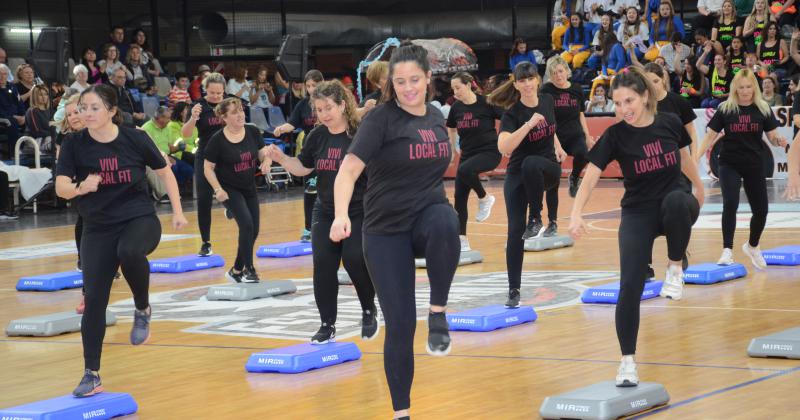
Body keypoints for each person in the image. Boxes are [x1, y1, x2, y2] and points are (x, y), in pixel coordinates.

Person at [329, 42, 460, 420]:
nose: (407, 88)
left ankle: (438, 312)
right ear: (391, 83)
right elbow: (349, 169)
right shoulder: (380, 119)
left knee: (446, 222)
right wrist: (341, 214)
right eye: (400, 81)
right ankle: (401, 412)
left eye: (414, 80)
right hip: (385, 231)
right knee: (400, 326)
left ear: (428, 79)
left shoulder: (436, 117)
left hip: (426, 218)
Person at [570, 66, 704, 387]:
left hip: (677, 207)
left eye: (628, 100)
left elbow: (684, 158)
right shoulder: (616, 135)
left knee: (675, 201)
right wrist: (576, 212)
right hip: (638, 213)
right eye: (617, 103)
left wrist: (699, 186)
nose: (623, 109)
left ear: (645, 97)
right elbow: (591, 175)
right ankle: (627, 362)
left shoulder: (670, 122)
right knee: (629, 287)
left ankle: (674, 267)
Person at [55, 84, 187, 397]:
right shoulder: (74, 144)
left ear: (112, 111)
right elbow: (61, 187)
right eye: (83, 108)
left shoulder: (136, 138)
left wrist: (178, 212)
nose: (86, 114)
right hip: (97, 227)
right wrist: (80, 188)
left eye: (94, 108)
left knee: (129, 252)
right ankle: (91, 373)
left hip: (138, 219)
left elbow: (165, 173)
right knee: (94, 301)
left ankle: (142, 308)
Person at [267, 80, 378, 343]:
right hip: (325, 210)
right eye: (319, 109)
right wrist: (282, 159)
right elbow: (304, 168)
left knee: (354, 260)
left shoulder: (360, 133)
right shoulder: (316, 136)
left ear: (342, 104)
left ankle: (368, 309)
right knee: (324, 267)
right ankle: (327, 324)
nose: (324, 114)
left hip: (360, 209)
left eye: (328, 107)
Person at [489, 61, 568, 308]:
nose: (526, 84)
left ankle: (536, 217)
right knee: (515, 232)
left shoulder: (547, 100)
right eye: (521, 80)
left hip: (547, 170)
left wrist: (557, 144)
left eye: (530, 79)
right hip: (518, 176)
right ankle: (514, 289)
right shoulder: (513, 113)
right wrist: (528, 125)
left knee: (532, 162)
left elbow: (551, 127)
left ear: (537, 80)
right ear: (516, 84)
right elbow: (504, 148)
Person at [696, 68, 787, 269]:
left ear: (754, 88)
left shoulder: (763, 109)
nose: (745, 91)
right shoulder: (725, 109)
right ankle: (727, 250)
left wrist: (778, 140)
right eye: (741, 88)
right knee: (730, 202)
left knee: (761, 210)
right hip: (729, 163)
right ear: (734, 88)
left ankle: (753, 246)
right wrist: (695, 157)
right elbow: (710, 137)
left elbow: (772, 137)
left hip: (754, 165)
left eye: (748, 87)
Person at [203, 97, 270, 283]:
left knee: (253, 230)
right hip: (229, 189)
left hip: (249, 187)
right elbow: (207, 168)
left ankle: (236, 270)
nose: (240, 114)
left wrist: (266, 161)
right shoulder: (217, 140)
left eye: (241, 110)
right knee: (247, 225)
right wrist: (217, 190)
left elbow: (263, 152)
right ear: (224, 117)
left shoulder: (252, 131)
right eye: (234, 112)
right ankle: (249, 269)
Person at [447, 72, 502, 251]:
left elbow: (508, 118)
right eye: (453, 89)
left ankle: (485, 198)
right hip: (467, 154)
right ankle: (462, 239)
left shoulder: (487, 102)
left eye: (458, 87)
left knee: (464, 170)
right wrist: (454, 146)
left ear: (469, 84)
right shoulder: (456, 108)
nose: (455, 92)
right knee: (459, 198)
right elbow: (451, 127)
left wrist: (508, 140)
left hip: (490, 152)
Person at [273, 69, 324, 243]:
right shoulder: (302, 105)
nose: (311, 89)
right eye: (308, 86)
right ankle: (308, 229)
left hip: (330, 149)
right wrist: (281, 128)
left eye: (314, 85)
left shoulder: (329, 102)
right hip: (311, 151)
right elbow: (292, 123)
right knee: (310, 190)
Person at [182, 72, 227, 257]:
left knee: (236, 189)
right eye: (212, 92)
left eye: (219, 93)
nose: (216, 96)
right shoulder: (198, 106)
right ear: (205, 90)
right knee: (204, 200)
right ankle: (206, 242)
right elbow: (185, 133)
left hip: (227, 156)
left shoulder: (230, 104)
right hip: (205, 156)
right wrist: (193, 118)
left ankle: (230, 206)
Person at [541, 55, 594, 200]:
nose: (558, 76)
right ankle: (551, 218)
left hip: (575, 134)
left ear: (566, 71)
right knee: (554, 176)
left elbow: (581, 114)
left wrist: (587, 137)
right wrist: (555, 143)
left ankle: (574, 177)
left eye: (560, 71)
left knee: (584, 154)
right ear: (550, 76)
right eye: (554, 73)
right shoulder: (546, 90)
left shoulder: (576, 89)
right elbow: (546, 117)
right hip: (555, 136)